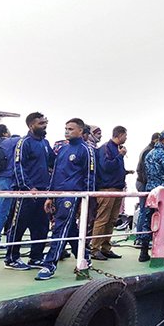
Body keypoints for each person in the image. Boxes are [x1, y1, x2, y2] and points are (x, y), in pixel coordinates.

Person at [35, 118, 96, 281]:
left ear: (81, 132)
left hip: (73, 194)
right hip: (59, 194)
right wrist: (50, 195)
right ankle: (84, 256)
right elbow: (55, 173)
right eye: (66, 128)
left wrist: (86, 200)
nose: (67, 131)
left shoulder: (87, 150)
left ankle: (49, 265)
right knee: (69, 229)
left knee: (60, 227)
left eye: (71, 129)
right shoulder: (62, 149)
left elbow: (90, 177)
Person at [5, 112, 54, 270]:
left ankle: (36, 257)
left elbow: (53, 163)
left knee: (41, 226)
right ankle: (12, 258)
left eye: (45, 123)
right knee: (19, 225)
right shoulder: (24, 143)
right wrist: (28, 187)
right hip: (26, 193)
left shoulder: (45, 143)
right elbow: (18, 166)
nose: (44, 126)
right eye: (40, 123)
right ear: (31, 125)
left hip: (42, 192)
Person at [137, 130, 164, 262]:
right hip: (163, 192)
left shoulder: (150, 154)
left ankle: (144, 251)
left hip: (151, 190)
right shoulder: (163, 155)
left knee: (148, 220)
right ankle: (163, 252)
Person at [91, 126, 128, 261]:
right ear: (120, 134)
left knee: (112, 220)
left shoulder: (116, 148)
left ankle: (106, 247)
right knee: (102, 219)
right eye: (125, 135)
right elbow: (106, 166)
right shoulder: (106, 148)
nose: (126, 138)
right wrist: (120, 156)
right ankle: (95, 248)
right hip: (107, 188)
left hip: (117, 188)